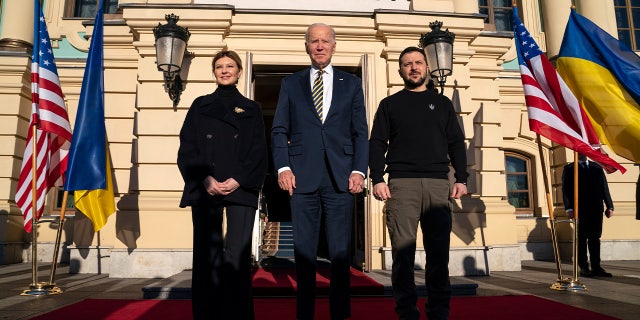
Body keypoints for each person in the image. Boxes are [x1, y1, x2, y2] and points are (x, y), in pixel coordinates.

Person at [270, 23, 369, 320]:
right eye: (314, 41)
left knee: (340, 254)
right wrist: (283, 167)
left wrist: (358, 170)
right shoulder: (291, 83)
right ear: (307, 46)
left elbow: (359, 132)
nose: (320, 46)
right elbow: (279, 129)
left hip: (341, 177)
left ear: (334, 45)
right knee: (303, 254)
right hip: (301, 178)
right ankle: (305, 314)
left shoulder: (350, 83)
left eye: (325, 41)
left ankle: (340, 314)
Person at [369, 46, 468, 320]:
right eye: (407, 64)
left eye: (418, 63)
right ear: (400, 70)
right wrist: (377, 178)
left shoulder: (444, 104)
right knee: (403, 256)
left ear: (426, 67)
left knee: (439, 256)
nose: (413, 67)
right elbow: (377, 143)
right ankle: (407, 313)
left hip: (438, 185)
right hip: (401, 186)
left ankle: (438, 312)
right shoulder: (389, 104)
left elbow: (456, 144)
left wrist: (461, 177)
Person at [177, 50, 268, 320]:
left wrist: (238, 179)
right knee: (207, 255)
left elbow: (258, 152)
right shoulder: (200, 104)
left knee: (237, 257)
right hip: (205, 186)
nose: (225, 70)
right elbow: (188, 147)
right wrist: (204, 178)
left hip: (240, 186)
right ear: (214, 72)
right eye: (219, 66)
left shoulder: (251, 109)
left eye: (230, 66)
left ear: (239, 72)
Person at [562, 154, 614, 278]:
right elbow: (566, 190)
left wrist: (610, 206)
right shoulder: (570, 168)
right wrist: (569, 208)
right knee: (581, 239)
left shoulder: (596, 167)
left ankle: (596, 267)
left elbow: (604, 187)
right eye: (579, 151)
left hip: (596, 209)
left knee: (595, 238)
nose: (582, 153)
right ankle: (584, 267)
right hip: (579, 210)